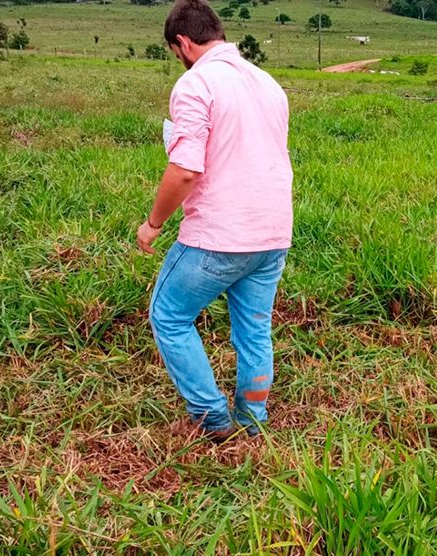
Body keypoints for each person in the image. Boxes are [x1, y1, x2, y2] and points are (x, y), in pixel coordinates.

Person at [137, 0, 293, 441]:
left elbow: (186, 169)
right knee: (254, 329)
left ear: (183, 42)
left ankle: (212, 417)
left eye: (174, 51)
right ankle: (253, 418)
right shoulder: (268, 83)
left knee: (168, 315)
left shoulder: (196, 84)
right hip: (273, 232)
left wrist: (153, 223)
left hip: (219, 234)